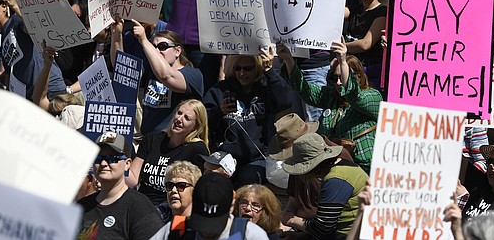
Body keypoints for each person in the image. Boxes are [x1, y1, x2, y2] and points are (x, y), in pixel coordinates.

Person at [278, 40, 381, 172]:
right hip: (334, 164)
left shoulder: (373, 96)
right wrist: (288, 59)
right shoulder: (332, 96)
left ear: (359, 76)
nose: (338, 83)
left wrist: (343, 61)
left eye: (341, 77)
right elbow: (305, 90)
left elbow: (355, 96)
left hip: (362, 167)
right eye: (334, 78)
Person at [203, 47, 292, 187]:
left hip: (256, 156)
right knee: (213, 178)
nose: (242, 73)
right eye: (237, 68)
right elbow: (203, 119)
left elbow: (285, 101)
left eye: (247, 68)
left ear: (257, 68)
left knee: (249, 180)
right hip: (226, 153)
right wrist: (219, 111)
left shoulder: (266, 88)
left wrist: (269, 71)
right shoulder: (220, 89)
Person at [113, 20, 204, 134]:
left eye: (162, 46)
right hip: (147, 140)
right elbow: (122, 69)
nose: (156, 51)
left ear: (177, 51)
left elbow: (167, 76)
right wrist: (116, 34)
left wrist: (144, 40)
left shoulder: (193, 75)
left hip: (172, 142)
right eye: (153, 47)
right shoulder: (151, 70)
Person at [0, 0, 66, 99]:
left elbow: (35, 29)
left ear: (4, 6)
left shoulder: (16, 21)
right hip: (31, 98)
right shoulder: (3, 44)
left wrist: (15, 5)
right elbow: (9, 76)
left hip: (51, 91)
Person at [282, 132, 369, 239]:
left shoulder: (336, 180)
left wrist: (291, 219)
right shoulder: (343, 167)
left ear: (314, 168)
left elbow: (322, 228)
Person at [77, 132, 163, 240]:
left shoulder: (140, 208)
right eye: (98, 158)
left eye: (112, 158)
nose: (103, 163)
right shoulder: (81, 207)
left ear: (127, 164)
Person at [129, 99, 210, 205]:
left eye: (187, 118)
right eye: (179, 113)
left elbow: (196, 190)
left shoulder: (197, 149)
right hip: (141, 203)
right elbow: (133, 179)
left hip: (169, 207)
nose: (179, 119)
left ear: (195, 127)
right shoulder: (152, 139)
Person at [151, 172, 270, 239]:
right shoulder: (176, 230)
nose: (207, 233)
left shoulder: (250, 235)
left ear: (232, 206)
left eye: (215, 223)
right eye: (201, 222)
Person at [154, 161, 202, 231]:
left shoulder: (201, 223)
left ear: (195, 190)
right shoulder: (158, 214)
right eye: (169, 186)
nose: (173, 190)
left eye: (181, 186)